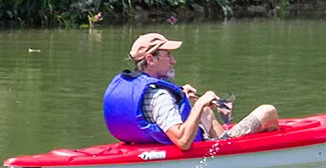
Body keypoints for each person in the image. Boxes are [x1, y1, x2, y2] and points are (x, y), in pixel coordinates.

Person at [101, 31, 279, 149]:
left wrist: (183, 97)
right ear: (150, 59)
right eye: (168, 55)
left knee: (206, 112)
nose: (173, 60)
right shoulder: (159, 96)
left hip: (145, 144)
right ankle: (248, 149)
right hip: (193, 150)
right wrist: (200, 103)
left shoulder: (137, 86)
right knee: (267, 112)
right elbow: (183, 142)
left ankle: (224, 139)